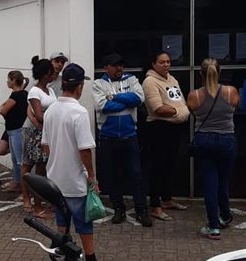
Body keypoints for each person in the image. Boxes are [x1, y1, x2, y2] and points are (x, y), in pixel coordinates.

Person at [42, 63, 118, 261]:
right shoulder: (79, 112)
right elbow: (85, 150)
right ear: (79, 87)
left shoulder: (51, 111)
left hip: (55, 179)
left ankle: (68, 260)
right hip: (75, 179)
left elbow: (46, 146)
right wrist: (91, 176)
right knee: (83, 222)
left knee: (62, 221)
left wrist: (56, 161)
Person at [92, 52, 151, 227]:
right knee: (112, 176)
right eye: (115, 65)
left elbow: (139, 99)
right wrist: (126, 101)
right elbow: (102, 106)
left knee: (136, 175)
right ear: (106, 68)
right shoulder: (98, 84)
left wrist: (114, 97)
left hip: (129, 137)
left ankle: (141, 210)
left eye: (121, 65)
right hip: (108, 138)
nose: (119, 68)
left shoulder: (132, 80)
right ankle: (118, 208)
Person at [187, 58, 239, 240]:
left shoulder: (195, 95)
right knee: (223, 181)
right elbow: (236, 105)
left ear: (200, 73)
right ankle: (225, 216)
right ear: (220, 72)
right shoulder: (231, 91)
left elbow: (192, 110)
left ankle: (213, 226)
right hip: (226, 139)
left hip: (204, 140)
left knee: (210, 183)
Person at [142, 50, 190, 221]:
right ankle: (155, 205)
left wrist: (179, 109)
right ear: (154, 64)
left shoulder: (172, 78)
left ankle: (167, 199)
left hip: (174, 130)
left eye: (168, 61)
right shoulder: (150, 82)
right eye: (162, 62)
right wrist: (179, 111)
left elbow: (181, 100)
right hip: (159, 129)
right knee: (157, 168)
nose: (166, 65)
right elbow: (158, 108)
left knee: (170, 166)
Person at [20, 56, 57, 218]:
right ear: (45, 74)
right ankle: (35, 205)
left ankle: (40, 202)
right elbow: (39, 115)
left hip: (46, 131)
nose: (54, 73)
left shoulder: (51, 90)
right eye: (51, 71)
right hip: (35, 133)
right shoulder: (34, 91)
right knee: (34, 169)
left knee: (43, 169)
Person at [0, 71, 29, 192]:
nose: (7, 82)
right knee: (15, 159)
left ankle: (24, 190)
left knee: (19, 161)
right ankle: (16, 182)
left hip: (17, 130)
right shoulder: (21, 94)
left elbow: (3, 110)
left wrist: (2, 108)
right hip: (12, 130)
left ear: (13, 81)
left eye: (9, 79)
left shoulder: (16, 96)